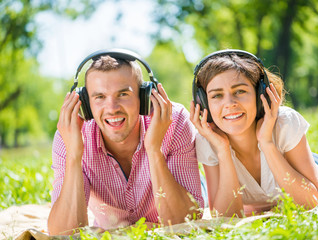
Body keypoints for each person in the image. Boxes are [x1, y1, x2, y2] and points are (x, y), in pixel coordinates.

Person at [48, 49, 204, 235]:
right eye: (100, 97)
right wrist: (74, 155)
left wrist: (154, 150)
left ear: (144, 97)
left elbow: (187, 223)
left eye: (123, 94)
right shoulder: (70, 135)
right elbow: (62, 234)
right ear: (85, 103)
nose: (112, 109)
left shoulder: (174, 121)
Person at [190, 49, 318, 218]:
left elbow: (311, 201)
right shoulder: (208, 140)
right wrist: (223, 151)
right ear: (203, 104)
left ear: (260, 94)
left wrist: (267, 143)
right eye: (217, 95)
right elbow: (225, 218)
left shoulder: (285, 122)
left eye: (240, 91)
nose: (230, 103)